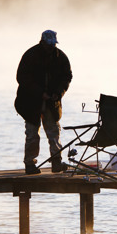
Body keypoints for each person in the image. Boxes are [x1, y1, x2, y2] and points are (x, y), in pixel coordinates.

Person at [15, 29, 73, 174]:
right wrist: (40, 94)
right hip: (30, 103)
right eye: (48, 45)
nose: (51, 48)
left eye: (53, 45)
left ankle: (56, 163)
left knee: (54, 133)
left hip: (52, 103)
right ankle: (30, 164)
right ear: (42, 43)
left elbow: (67, 77)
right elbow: (22, 78)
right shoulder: (30, 55)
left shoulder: (61, 57)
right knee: (32, 134)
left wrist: (58, 93)